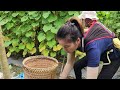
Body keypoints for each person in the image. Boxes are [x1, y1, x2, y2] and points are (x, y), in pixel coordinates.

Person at [56, 11, 120, 79]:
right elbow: (69, 63)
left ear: (78, 41)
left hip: (113, 56)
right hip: (99, 49)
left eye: (66, 46)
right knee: (77, 66)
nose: (64, 49)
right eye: (62, 46)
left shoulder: (92, 48)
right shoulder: (73, 36)